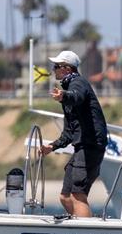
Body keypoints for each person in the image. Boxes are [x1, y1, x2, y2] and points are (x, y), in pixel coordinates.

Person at [40, 50, 107, 218]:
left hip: (90, 145)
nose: (54, 69)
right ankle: (81, 225)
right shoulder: (70, 87)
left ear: (67, 69)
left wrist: (64, 96)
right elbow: (70, 131)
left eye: (57, 66)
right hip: (81, 146)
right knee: (65, 196)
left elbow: (76, 96)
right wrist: (52, 146)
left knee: (78, 195)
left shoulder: (78, 83)